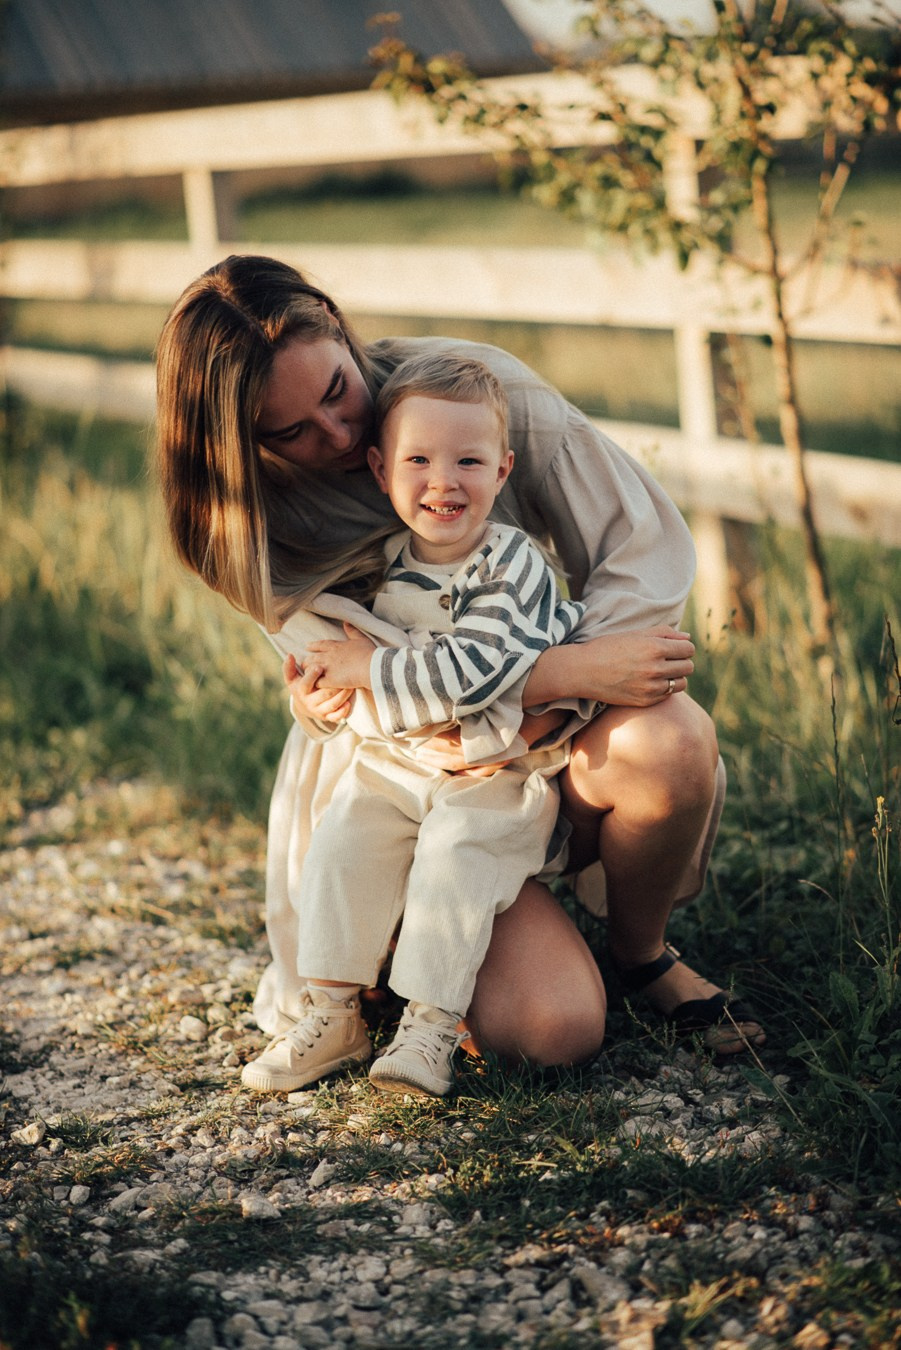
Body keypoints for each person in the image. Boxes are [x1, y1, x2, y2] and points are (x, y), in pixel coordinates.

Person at [155, 253, 764, 1078]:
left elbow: (639, 553)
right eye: (288, 430)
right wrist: (557, 678)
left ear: (336, 324)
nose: (336, 435)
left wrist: (560, 709)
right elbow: (359, 693)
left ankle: (641, 953)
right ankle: (404, 949)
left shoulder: (477, 397)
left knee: (671, 742)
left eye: (335, 390)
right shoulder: (247, 524)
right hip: (405, 777)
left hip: (549, 738)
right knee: (554, 1031)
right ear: (241, 442)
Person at [240, 352, 594, 1097]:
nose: (443, 481)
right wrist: (319, 702)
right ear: (380, 471)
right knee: (343, 837)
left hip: (493, 773)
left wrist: (364, 670)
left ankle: (430, 1027)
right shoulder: (388, 562)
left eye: (468, 460)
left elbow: (477, 669)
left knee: (454, 858)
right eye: (419, 460)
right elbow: (346, 673)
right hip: (402, 768)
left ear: (502, 472)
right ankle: (333, 1012)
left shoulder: (512, 563)